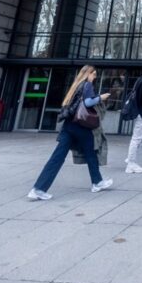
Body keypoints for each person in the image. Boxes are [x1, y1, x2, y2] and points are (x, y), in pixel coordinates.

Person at [28, 65, 113, 201]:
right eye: (94, 74)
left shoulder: (76, 85)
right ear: (88, 74)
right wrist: (101, 97)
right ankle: (97, 182)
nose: (95, 77)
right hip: (81, 126)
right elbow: (88, 102)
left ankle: (39, 188)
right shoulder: (87, 85)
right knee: (91, 152)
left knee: (57, 157)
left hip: (69, 126)